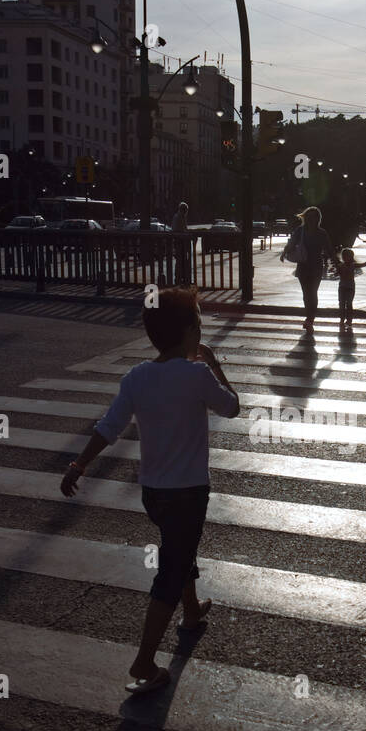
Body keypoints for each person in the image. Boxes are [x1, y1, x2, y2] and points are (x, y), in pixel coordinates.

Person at [61, 288, 239, 694]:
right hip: (188, 492)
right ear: (190, 331)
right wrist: (214, 365)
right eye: (199, 321)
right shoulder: (197, 375)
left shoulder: (137, 377)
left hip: (153, 494)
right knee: (172, 568)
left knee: (177, 547)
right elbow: (232, 407)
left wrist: (78, 464)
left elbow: (109, 426)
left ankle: (191, 611)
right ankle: (144, 662)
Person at [285, 206, 336, 332]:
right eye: (310, 216)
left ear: (318, 218)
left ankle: (310, 319)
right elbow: (292, 242)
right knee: (306, 294)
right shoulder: (300, 230)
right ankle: (309, 317)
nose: (312, 219)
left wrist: (336, 262)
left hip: (316, 267)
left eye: (315, 217)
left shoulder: (321, 233)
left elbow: (329, 249)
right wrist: (284, 252)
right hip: (303, 266)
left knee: (312, 293)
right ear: (306, 218)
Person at [336, 248, 366, 333]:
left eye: (348, 256)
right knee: (341, 303)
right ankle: (342, 319)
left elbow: (364, 264)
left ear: (351, 257)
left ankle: (349, 320)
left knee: (349, 303)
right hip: (342, 287)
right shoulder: (340, 266)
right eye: (344, 256)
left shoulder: (353, 265)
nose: (346, 258)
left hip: (350, 288)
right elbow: (338, 274)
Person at [170, 202, 191, 286]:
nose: (186, 212)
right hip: (179, 242)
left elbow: (184, 228)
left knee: (182, 261)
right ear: (183, 210)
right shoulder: (177, 217)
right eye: (186, 210)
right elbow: (175, 230)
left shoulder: (182, 217)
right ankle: (178, 279)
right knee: (179, 261)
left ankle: (181, 278)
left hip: (182, 242)